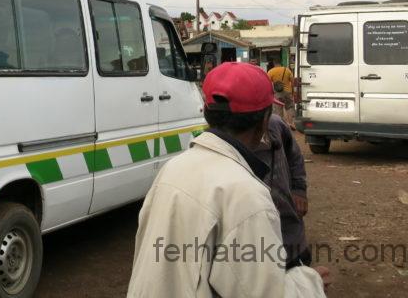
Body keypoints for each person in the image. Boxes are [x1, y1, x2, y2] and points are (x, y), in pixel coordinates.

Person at [127, 62, 329, 297]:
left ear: (206, 112)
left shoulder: (172, 169)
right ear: (265, 121)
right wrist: (310, 283)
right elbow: (261, 291)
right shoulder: (247, 194)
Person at [255, 113, 310, 267]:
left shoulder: (275, 124)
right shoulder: (223, 141)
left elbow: (294, 155)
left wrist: (299, 189)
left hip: (288, 227)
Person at [267, 59, 296, 129]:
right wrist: (292, 92)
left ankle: (280, 125)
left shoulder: (271, 71)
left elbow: (268, 83)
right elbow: (292, 82)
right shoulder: (287, 70)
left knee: (278, 110)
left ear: (274, 64)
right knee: (290, 107)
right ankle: (291, 123)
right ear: (281, 64)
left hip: (277, 94)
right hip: (287, 92)